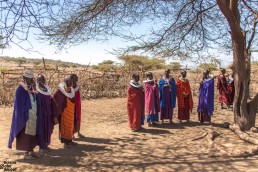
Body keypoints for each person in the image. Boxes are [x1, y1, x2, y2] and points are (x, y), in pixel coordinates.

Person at [8, 68, 39, 159]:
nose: (31, 81)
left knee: (31, 134)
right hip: (25, 116)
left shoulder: (30, 88)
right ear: (24, 78)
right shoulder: (20, 89)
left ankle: (31, 151)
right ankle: (26, 153)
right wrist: (25, 114)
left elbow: (34, 98)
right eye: (29, 79)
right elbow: (19, 105)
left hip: (32, 115)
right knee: (25, 134)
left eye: (32, 79)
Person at [52, 77, 78, 147]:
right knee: (65, 126)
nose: (71, 83)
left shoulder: (71, 91)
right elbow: (55, 99)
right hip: (64, 113)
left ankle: (70, 140)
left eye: (71, 81)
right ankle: (65, 142)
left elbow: (72, 100)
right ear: (65, 82)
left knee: (70, 125)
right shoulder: (61, 91)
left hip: (71, 111)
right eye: (69, 82)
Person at [36, 75, 53, 152]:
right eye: (40, 80)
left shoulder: (47, 90)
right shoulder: (36, 92)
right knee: (41, 129)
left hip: (48, 114)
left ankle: (46, 145)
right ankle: (41, 147)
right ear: (37, 81)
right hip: (40, 115)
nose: (42, 81)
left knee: (47, 129)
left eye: (43, 79)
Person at [70, 74, 83, 138]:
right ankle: (72, 134)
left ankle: (78, 131)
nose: (76, 80)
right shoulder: (69, 87)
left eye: (76, 79)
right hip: (72, 104)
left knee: (78, 117)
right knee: (72, 118)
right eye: (75, 79)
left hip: (77, 104)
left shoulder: (76, 85)